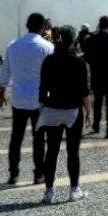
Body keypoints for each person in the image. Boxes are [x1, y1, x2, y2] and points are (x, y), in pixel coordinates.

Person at [0, 12, 55, 185]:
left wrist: (2, 92)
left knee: (16, 138)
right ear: (43, 26)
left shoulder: (12, 45)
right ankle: (38, 174)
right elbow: (51, 75)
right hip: (40, 100)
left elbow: (5, 70)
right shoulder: (47, 47)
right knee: (39, 139)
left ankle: (13, 174)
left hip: (19, 99)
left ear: (26, 25)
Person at [37, 26, 92, 204]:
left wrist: (43, 110)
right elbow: (84, 92)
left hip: (52, 110)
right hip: (73, 112)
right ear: (73, 41)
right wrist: (89, 112)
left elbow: (42, 92)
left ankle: (48, 193)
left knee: (51, 152)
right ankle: (74, 190)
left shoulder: (48, 61)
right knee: (72, 152)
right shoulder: (79, 64)